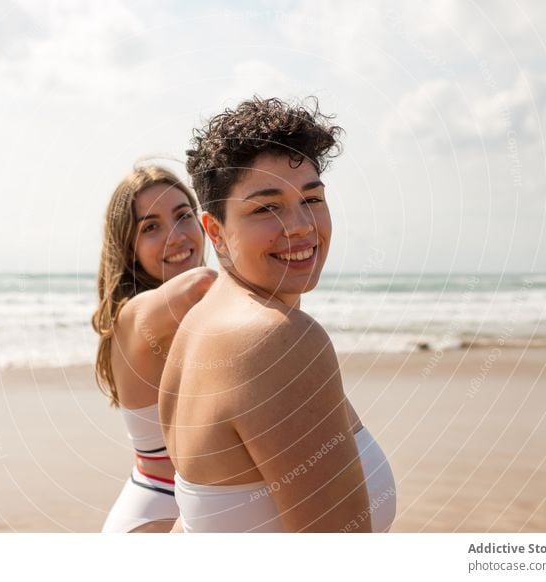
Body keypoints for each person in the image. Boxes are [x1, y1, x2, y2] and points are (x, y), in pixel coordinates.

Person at [159, 97, 396, 532]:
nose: (301, 225)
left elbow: (196, 524)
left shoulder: (199, 324)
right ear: (215, 230)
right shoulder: (275, 339)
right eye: (267, 208)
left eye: (312, 198)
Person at [93, 165, 217, 532]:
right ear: (129, 249)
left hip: (190, 506)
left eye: (183, 216)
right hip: (157, 512)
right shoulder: (132, 316)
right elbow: (202, 282)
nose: (176, 236)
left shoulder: (204, 316)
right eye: (150, 227)